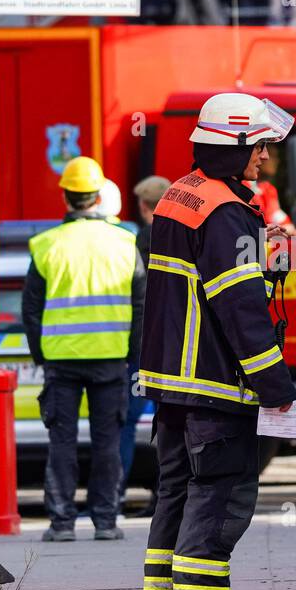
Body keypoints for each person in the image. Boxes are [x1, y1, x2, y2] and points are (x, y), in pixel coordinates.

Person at [139, 93, 296, 590]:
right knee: (221, 492)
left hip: (172, 383)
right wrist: (276, 383)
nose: (264, 159)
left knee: (176, 491)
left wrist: (256, 250)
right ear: (233, 147)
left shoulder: (182, 196)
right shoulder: (226, 211)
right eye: (258, 149)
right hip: (211, 381)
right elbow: (239, 308)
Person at [22, 156, 145, 542]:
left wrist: (42, 355)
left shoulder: (46, 245)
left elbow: (31, 309)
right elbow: (142, 305)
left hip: (61, 360)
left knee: (61, 441)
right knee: (108, 441)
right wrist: (133, 356)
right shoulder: (126, 242)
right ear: (97, 196)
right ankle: (106, 522)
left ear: (67, 195)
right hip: (111, 360)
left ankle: (61, 523)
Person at [119, 175, 171, 516]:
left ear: (143, 206)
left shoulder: (142, 238)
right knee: (167, 422)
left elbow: (139, 296)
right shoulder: (178, 233)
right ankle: (164, 496)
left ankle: (114, 498)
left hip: (145, 346)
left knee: (128, 423)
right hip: (174, 344)